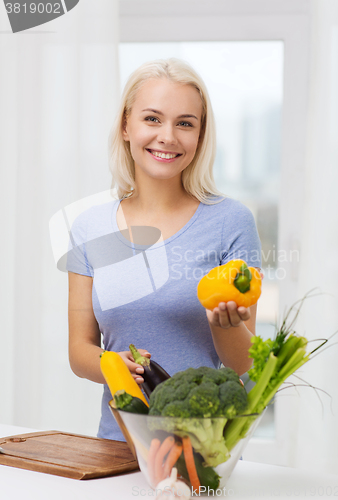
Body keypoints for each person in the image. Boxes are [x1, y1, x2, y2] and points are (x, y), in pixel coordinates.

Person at [66, 58, 262, 441]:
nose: (168, 136)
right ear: (126, 125)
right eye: (152, 119)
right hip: (117, 446)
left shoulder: (231, 222)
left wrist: (226, 324)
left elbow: (242, 364)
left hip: (203, 450)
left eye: (185, 123)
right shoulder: (90, 228)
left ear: (200, 136)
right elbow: (78, 349)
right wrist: (111, 364)